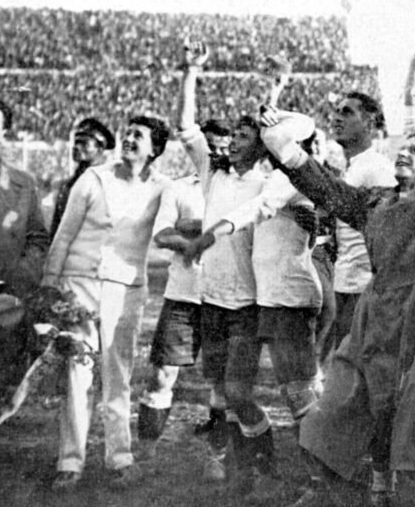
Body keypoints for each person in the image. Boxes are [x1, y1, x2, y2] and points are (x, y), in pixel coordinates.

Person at [265, 60, 415, 506]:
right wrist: (288, 152)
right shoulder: (374, 203)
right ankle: (362, 492)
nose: (404, 153)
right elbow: (326, 189)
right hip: (377, 310)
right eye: (404, 149)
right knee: (338, 412)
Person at [41, 113, 172, 490]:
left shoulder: (164, 188)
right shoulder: (93, 178)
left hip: (127, 288)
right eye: (127, 133)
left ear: (155, 149)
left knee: (119, 374)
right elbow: (63, 236)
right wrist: (51, 284)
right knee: (76, 373)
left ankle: (119, 457)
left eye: (139, 136)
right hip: (80, 285)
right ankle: (70, 461)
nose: (129, 139)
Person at [176, 43, 276, 494]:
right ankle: (234, 462)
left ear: (259, 146)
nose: (231, 140)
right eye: (232, 133)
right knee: (218, 389)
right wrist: (191, 72)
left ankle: (263, 449)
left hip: (248, 301)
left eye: (242, 135)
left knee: (238, 391)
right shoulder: (212, 174)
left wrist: (277, 88)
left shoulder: (267, 182)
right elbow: (185, 128)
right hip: (210, 297)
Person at [0, 99, 50, 470]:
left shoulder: (23, 183)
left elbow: (38, 238)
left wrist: (16, 286)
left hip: (2, 305)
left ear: (4, 132)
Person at [136, 169, 206, 465]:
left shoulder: (254, 183)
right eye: (211, 144)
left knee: (226, 383)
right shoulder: (179, 188)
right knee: (162, 374)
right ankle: (146, 456)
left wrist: (191, 225)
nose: (219, 149)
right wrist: (197, 240)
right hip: (182, 294)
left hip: (229, 296)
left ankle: (217, 454)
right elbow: (162, 235)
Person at [326, 92, 396, 353]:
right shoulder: (353, 167)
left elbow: (389, 234)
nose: (336, 118)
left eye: (346, 112)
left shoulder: (377, 168)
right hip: (346, 284)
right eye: (336, 112)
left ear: (369, 122)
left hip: (365, 290)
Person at [50, 117, 115, 237]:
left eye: (84, 143)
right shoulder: (67, 186)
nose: (77, 147)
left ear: (100, 148)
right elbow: (56, 231)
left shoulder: (110, 185)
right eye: (76, 142)